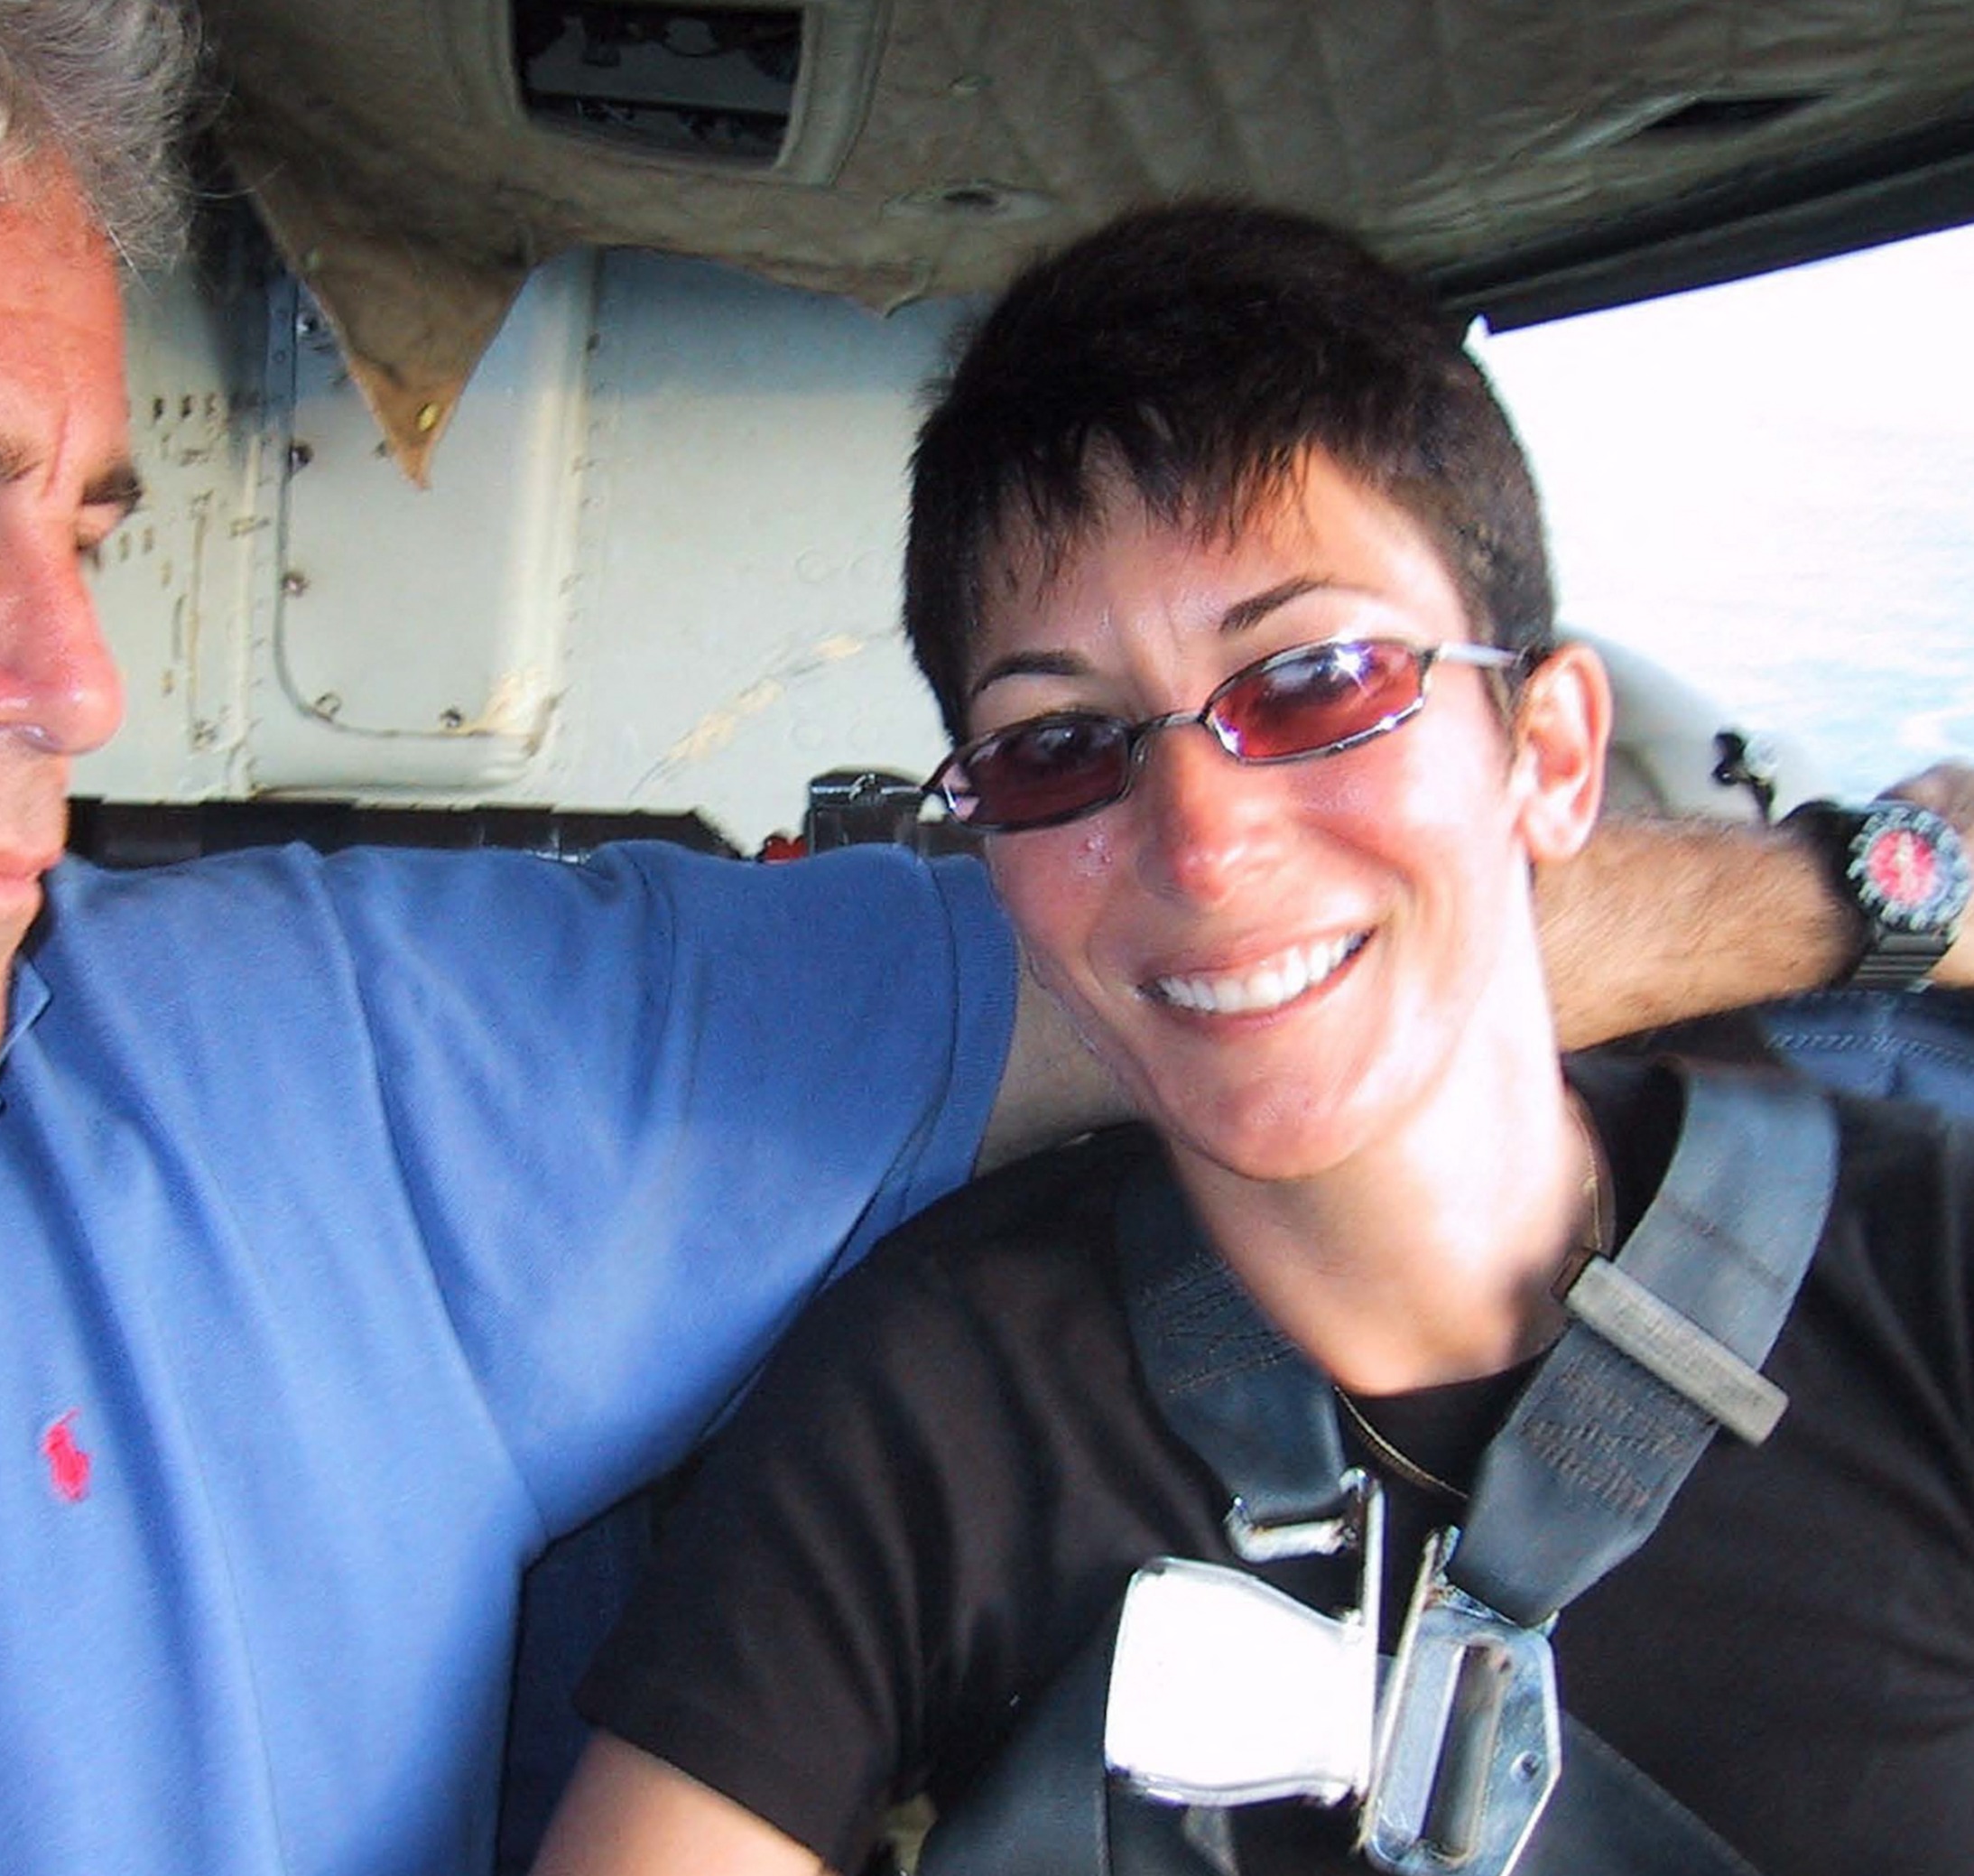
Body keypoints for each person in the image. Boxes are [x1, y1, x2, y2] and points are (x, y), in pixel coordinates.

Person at [0, 5, 1953, 1869]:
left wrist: (1872, 892)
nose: (79, 681)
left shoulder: (324, 1069)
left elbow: (1218, 942)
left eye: (92, 520)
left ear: (1542, 724)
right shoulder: (932, 1421)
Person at [536, 205, 1974, 1876]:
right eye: (1058, 747)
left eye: (1314, 681)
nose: (1200, 844)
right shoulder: (927, 1404)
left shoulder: (1929, 1268)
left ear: (1552, 754)